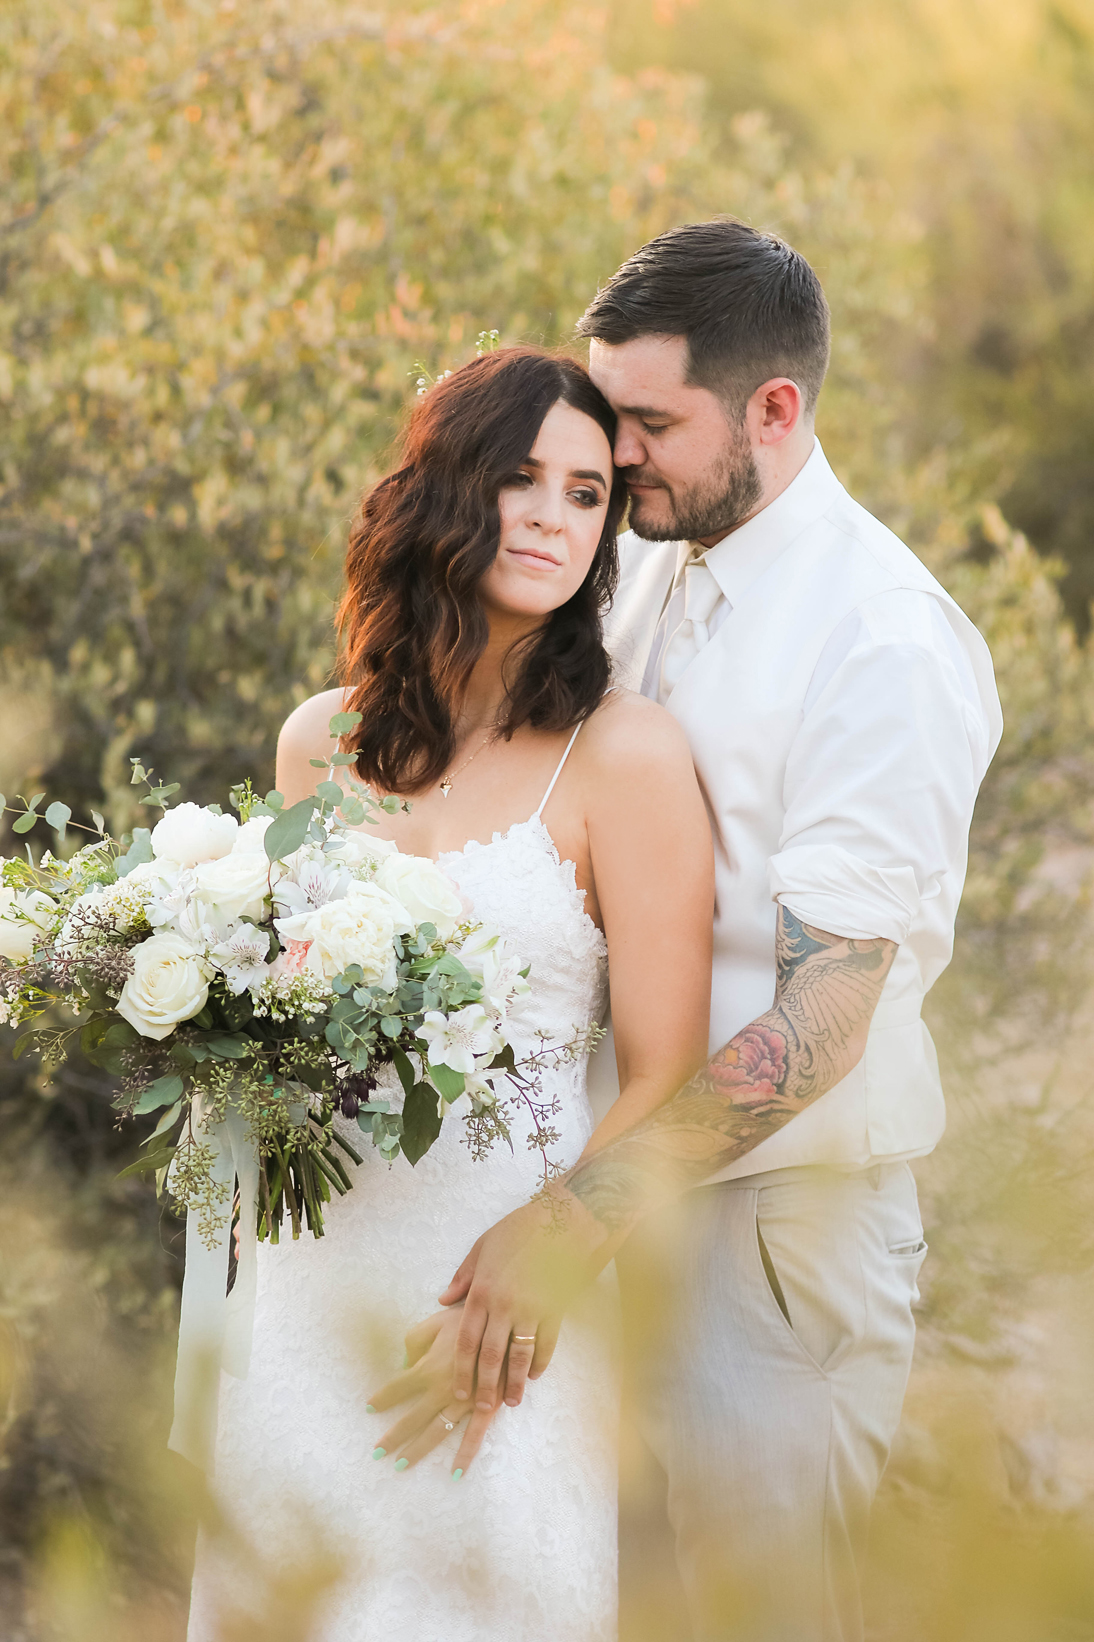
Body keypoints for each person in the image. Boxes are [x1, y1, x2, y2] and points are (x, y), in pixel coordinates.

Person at [388, 221, 1003, 1641]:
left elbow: (825, 1016)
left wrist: (573, 1215)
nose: (621, 457)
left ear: (773, 410)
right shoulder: (656, 549)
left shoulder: (884, 640)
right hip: (608, 1196)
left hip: (770, 1238)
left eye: (650, 424)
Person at [184, 346, 715, 1642]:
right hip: (311, 1276)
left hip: (493, 1289)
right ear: (443, 489)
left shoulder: (624, 756)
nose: (551, 516)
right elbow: (282, 997)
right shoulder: (323, 741)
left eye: (587, 494)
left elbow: (666, 1073)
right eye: (519, 476)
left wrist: (551, 1253)